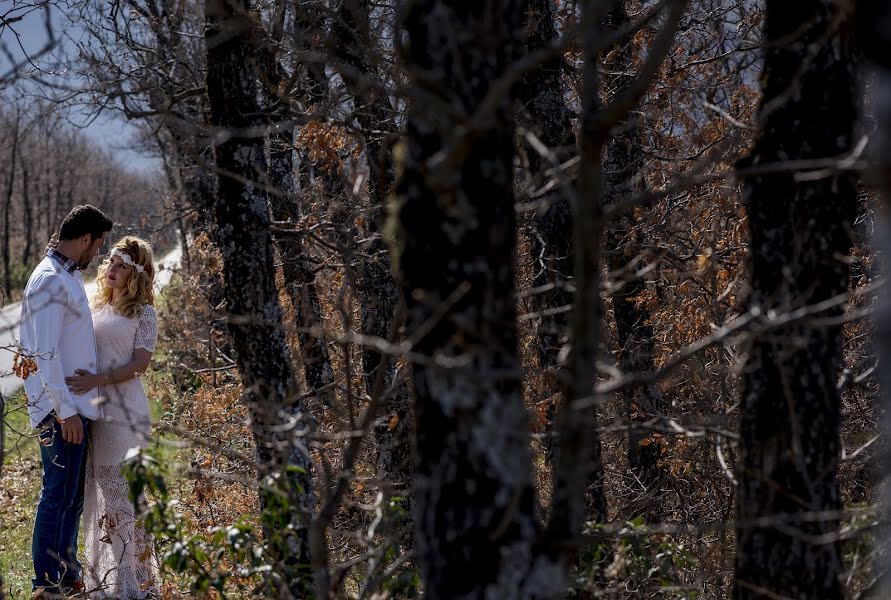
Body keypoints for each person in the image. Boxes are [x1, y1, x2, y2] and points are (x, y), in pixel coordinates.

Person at [19, 205, 113, 598]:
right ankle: (46, 582)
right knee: (57, 493)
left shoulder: (64, 274)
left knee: (72, 495)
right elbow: (45, 354)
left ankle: (66, 572)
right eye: (98, 245)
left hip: (75, 406)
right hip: (59, 410)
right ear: (86, 239)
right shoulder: (48, 281)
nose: (98, 255)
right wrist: (65, 411)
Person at [64, 236, 160, 599]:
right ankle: (123, 578)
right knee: (110, 495)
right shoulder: (98, 305)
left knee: (126, 498)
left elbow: (140, 365)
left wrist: (96, 380)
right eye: (113, 264)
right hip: (97, 415)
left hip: (126, 413)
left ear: (136, 274)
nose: (113, 271)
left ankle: (134, 585)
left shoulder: (144, 314)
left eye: (122, 266)